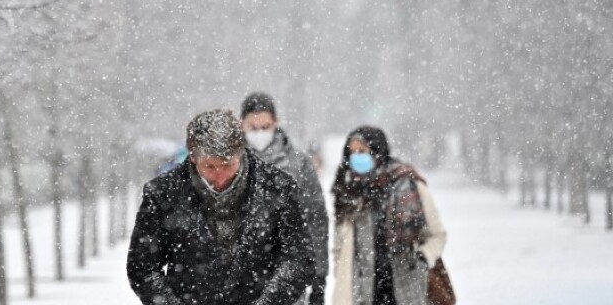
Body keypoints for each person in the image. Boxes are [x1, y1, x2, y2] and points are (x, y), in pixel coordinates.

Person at [127, 108, 315, 305]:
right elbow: (143, 268)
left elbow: (299, 261)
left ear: (241, 153)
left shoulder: (278, 188)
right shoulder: (163, 194)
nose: (220, 177)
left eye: (228, 165)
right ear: (192, 157)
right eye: (209, 167)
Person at [330, 126, 448, 305]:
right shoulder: (348, 190)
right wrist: (342, 273)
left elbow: (437, 234)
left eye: (362, 151)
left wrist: (423, 258)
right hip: (361, 291)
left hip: (406, 286)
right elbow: (340, 245)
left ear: (378, 152)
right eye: (352, 152)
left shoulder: (407, 184)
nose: (356, 157)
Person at [241, 92, 329, 305]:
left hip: (287, 276)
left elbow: (315, 219)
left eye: (265, 126)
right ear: (241, 124)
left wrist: (319, 275)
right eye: (253, 127)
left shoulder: (298, 164)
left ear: (276, 122)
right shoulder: (229, 163)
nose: (259, 133)